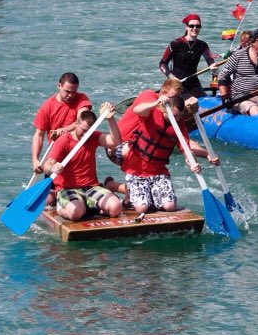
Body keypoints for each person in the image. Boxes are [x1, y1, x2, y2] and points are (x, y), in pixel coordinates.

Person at [105, 78, 218, 214]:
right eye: (171, 98)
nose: (173, 101)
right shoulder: (151, 103)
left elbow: (186, 145)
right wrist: (156, 103)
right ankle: (125, 193)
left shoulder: (177, 120)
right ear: (163, 93)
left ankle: (132, 192)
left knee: (169, 206)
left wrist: (200, 158)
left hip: (155, 166)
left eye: (178, 98)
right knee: (142, 206)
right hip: (119, 148)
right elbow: (138, 110)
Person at [41, 103, 124, 221]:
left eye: (89, 131)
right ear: (76, 124)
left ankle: (89, 206)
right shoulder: (63, 141)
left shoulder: (94, 136)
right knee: (76, 213)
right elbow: (47, 165)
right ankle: (61, 208)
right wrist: (53, 168)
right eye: (83, 130)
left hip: (90, 187)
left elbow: (116, 142)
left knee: (116, 208)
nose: (86, 134)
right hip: (68, 189)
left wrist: (110, 118)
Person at [31, 73, 93, 174]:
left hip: (78, 152)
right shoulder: (47, 107)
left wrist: (64, 130)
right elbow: (39, 135)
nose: (71, 95)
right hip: (57, 154)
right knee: (54, 185)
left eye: (74, 92)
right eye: (67, 91)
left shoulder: (82, 98)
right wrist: (35, 160)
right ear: (59, 86)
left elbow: (83, 119)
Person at [159, 14, 217, 94]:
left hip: (193, 83)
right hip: (176, 83)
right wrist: (171, 77)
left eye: (198, 26)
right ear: (186, 27)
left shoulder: (202, 45)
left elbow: (210, 60)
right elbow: (162, 63)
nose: (195, 28)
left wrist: (212, 66)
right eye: (191, 26)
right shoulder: (175, 44)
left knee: (204, 102)